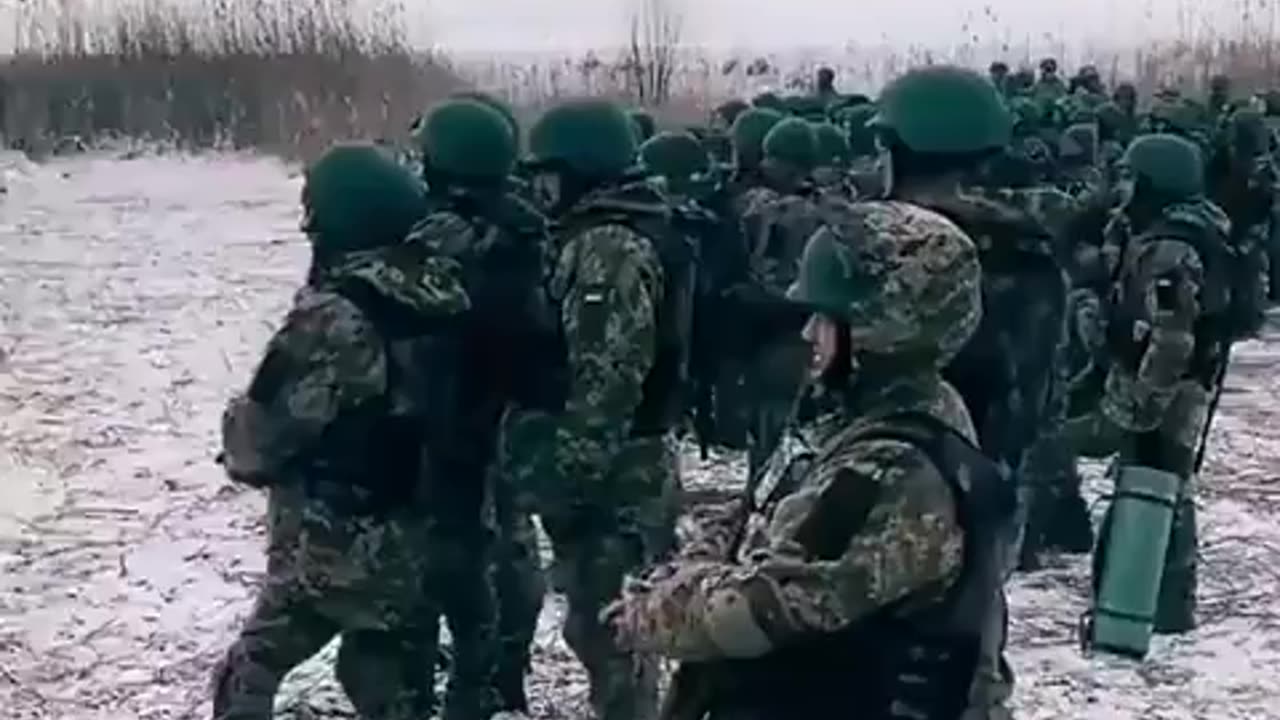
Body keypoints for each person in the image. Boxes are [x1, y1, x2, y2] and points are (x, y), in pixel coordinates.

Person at [604, 197, 1013, 720]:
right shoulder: (889, 409)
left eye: (826, 317)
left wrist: (651, 612)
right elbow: (763, 510)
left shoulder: (885, 469)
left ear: (877, 331)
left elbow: (759, 609)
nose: (806, 333)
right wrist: (699, 556)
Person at [211, 142, 455, 720]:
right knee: (385, 683)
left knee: (248, 672)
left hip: (335, 542)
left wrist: (237, 436)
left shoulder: (334, 314)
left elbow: (262, 436)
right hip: (421, 532)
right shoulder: (441, 292)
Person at [869, 65, 1066, 719]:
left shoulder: (884, 248)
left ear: (895, 148)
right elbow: (1042, 382)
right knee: (973, 652)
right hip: (994, 479)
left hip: (897, 480)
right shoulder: (1028, 243)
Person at [503, 97, 690, 720]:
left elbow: (609, 373)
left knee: (613, 628)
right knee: (603, 623)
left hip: (616, 464)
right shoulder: (613, 228)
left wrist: (571, 471)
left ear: (581, 170)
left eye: (548, 173)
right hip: (623, 454)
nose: (539, 187)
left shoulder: (609, 245)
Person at [410, 97, 557, 718]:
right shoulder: (529, 228)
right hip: (508, 422)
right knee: (511, 557)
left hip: (434, 433)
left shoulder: (428, 235)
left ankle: (433, 693)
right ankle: (502, 678)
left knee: (423, 584)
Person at [1075, 134, 1237, 634]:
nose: (1123, 186)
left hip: (1171, 383)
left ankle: (1156, 607)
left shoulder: (1172, 248)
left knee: (1160, 479)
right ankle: (1155, 603)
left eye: (1131, 176)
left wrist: (1145, 400)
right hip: (1173, 377)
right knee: (1159, 480)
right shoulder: (1178, 229)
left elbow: (1171, 338)